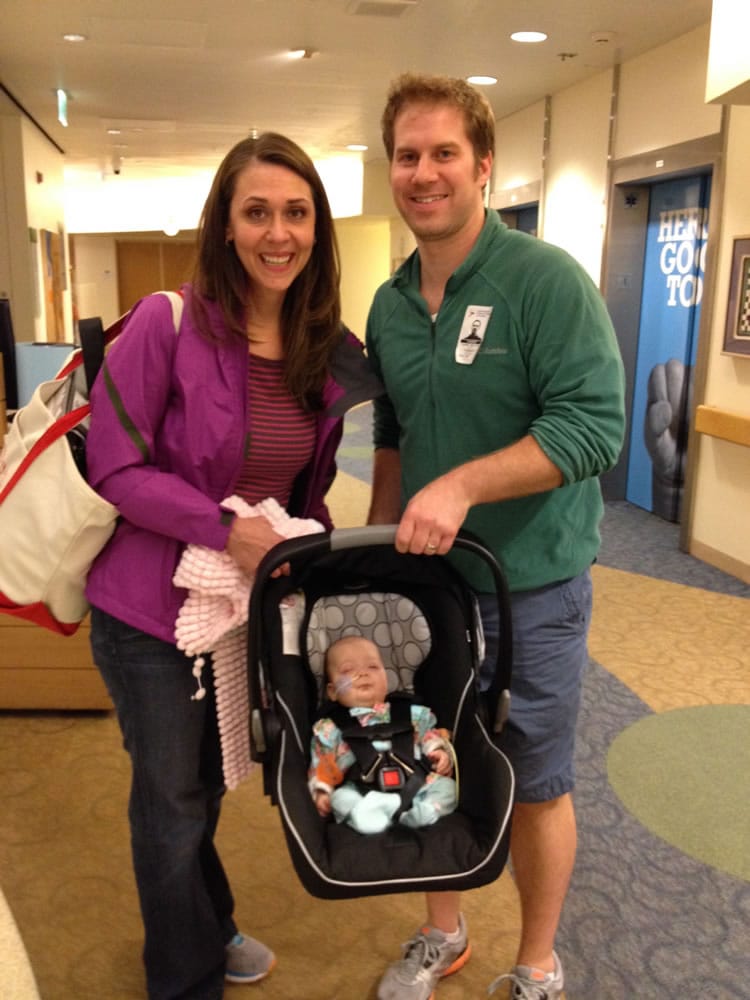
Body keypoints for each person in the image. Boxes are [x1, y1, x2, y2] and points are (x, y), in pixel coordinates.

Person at [85, 132, 381, 1000]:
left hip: (247, 609)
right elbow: (115, 465)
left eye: (297, 213)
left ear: (318, 230)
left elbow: (308, 491)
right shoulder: (165, 324)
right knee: (172, 807)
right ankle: (185, 976)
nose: (278, 232)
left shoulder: (325, 347)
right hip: (149, 613)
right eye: (257, 212)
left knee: (208, 788)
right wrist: (225, 528)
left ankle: (206, 923)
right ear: (225, 226)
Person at [365, 74, 626, 1000]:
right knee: (429, 765)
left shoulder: (542, 281)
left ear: (483, 166)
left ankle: (538, 962)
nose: (424, 172)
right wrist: (378, 541)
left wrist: (465, 485)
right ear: (389, 168)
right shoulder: (390, 303)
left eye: (444, 154)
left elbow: (595, 426)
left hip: (531, 592)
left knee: (536, 782)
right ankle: (445, 932)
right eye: (408, 155)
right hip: (425, 589)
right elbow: (391, 428)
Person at [308, 635, 457, 833]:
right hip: (362, 790)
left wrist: (437, 751)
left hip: (416, 783)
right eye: (347, 670)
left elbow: (428, 735)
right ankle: (368, 817)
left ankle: (424, 812)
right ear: (333, 691)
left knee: (447, 788)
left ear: (386, 679)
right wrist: (322, 790)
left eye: (372, 667)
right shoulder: (330, 728)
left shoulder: (411, 713)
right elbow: (324, 762)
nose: (362, 673)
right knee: (340, 799)